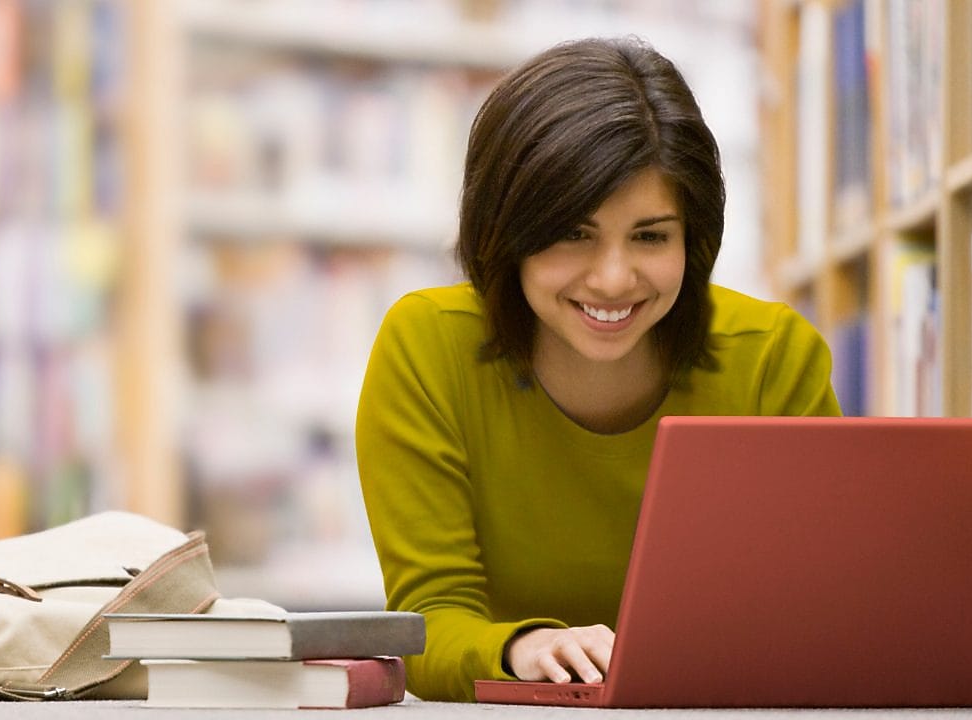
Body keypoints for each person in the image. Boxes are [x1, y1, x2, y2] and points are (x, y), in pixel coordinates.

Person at [354, 36, 841, 703]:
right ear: (506, 231)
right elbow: (427, 622)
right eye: (573, 234)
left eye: (650, 236)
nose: (614, 279)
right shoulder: (427, 345)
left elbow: (825, 610)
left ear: (693, 240)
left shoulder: (774, 357)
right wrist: (522, 647)